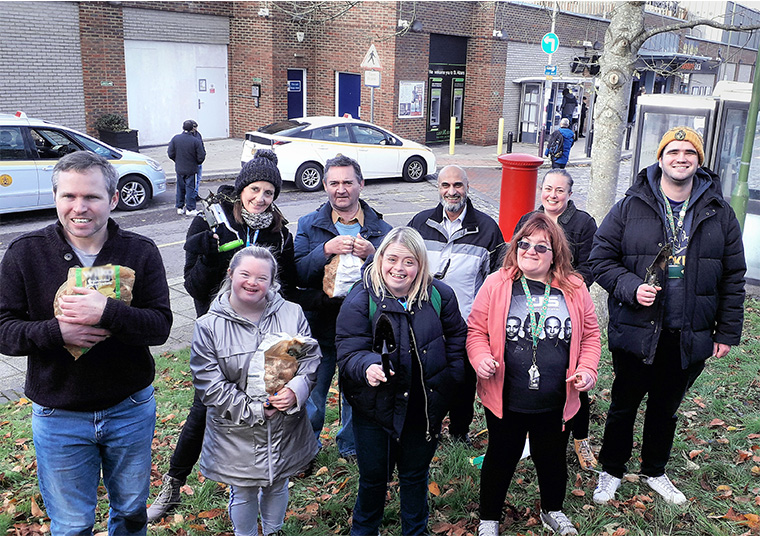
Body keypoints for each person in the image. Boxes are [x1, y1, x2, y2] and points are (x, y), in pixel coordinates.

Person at [0, 151, 172, 535]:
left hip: (128, 408)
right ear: (56, 197)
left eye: (92, 197)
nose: (80, 208)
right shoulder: (26, 252)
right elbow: (4, 330)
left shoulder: (139, 251)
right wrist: (57, 333)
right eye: (69, 196)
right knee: (72, 523)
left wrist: (107, 312)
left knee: (129, 512)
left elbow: (160, 326)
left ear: (112, 199)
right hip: (58, 415)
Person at [590, 126, 746, 505]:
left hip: (687, 333)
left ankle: (654, 470)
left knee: (666, 409)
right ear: (660, 158)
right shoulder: (631, 205)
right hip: (636, 329)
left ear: (699, 160)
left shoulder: (719, 212)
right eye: (673, 151)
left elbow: (733, 276)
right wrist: (630, 287)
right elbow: (599, 258)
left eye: (689, 152)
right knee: (624, 405)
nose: (681, 158)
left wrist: (726, 332)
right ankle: (611, 470)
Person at [146, 149, 296, 522]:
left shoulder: (279, 231)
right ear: (242, 187)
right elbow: (194, 288)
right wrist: (211, 259)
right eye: (255, 189)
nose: (261, 198)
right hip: (219, 339)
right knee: (205, 409)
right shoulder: (208, 224)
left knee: (271, 407)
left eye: (269, 193)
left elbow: (288, 285)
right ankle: (173, 484)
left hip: (266, 339)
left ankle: (267, 479)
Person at [467, 213, 600, 537]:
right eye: (524, 244)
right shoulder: (497, 284)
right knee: (502, 455)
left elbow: (592, 335)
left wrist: (587, 370)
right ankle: (489, 518)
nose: (530, 251)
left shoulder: (575, 287)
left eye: (541, 247)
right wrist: (481, 357)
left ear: (556, 252)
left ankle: (552, 510)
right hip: (506, 396)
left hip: (556, 398)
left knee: (551, 458)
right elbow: (475, 331)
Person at [336, 226, 467, 535]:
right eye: (392, 259)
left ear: (420, 264)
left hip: (422, 408)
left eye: (409, 261)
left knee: (415, 475)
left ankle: (415, 530)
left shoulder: (439, 296)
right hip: (374, 409)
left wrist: (451, 378)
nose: (399, 268)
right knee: (373, 478)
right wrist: (367, 366)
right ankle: (364, 530)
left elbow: (457, 337)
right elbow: (348, 350)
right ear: (380, 259)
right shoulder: (361, 298)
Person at [190, 246, 320, 535]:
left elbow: (309, 359)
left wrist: (296, 390)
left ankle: (273, 531)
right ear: (230, 274)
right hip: (237, 430)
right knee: (244, 491)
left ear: (272, 282)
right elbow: (209, 385)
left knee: (278, 483)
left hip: (285, 427)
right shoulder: (209, 326)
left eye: (262, 278)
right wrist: (256, 410)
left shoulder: (291, 313)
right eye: (245, 274)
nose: (252, 282)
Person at [294, 154, 393, 461]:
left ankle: (350, 447)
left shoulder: (381, 228)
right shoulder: (309, 225)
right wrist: (325, 249)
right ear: (324, 185)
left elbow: (394, 279)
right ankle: (307, 447)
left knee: (357, 393)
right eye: (334, 182)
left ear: (360, 184)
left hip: (362, 329)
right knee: (311, 393)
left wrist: (375, 255)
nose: (341, 189)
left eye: (348, 182)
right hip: (320, 325)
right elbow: (297, 273)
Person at [407, 164, 505, 444]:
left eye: (457, 185)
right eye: (445, 186)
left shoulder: (487, 228)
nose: (452, 192)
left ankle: (459, 433)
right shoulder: (420, 222)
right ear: (438, 188)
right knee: (428, 379)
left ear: (467, 188)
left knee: (462, 380)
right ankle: (429, 430)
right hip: (424, 320)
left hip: (467, 323)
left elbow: (495, 279)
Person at [515, 169, 598, 470]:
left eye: (559, 190)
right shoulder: (527, 221)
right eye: (548, 188)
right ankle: (527, 437)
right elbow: (515, 258)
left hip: (567, 304)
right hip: (529, 304)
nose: (552, 195)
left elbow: (593, 264)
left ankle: (581, 439)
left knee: (573, 374)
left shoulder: (584, 223)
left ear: (570, 194)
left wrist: (569, 286)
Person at [168, 119, 206, 216]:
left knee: (180, 188)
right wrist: (196, 162)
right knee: (190, 188)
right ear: (193, 129)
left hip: (180, 167)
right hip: (191, 168)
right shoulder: (195, 141)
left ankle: (180, 207)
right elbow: (201, 156)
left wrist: (177, 161)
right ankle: (190, 208)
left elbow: (170, 153)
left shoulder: (176, 139)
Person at [190, 120, 205, 202]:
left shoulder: (198, 135)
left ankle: (195, 194)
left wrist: (202, 156)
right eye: (193, 127)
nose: (195, 129)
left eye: (196, 127)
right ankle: (191, 195)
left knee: (198, 179)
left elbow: (201, 146)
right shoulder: (188, 137)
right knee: (192, 180)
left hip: (198, 161)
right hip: (192, 162)